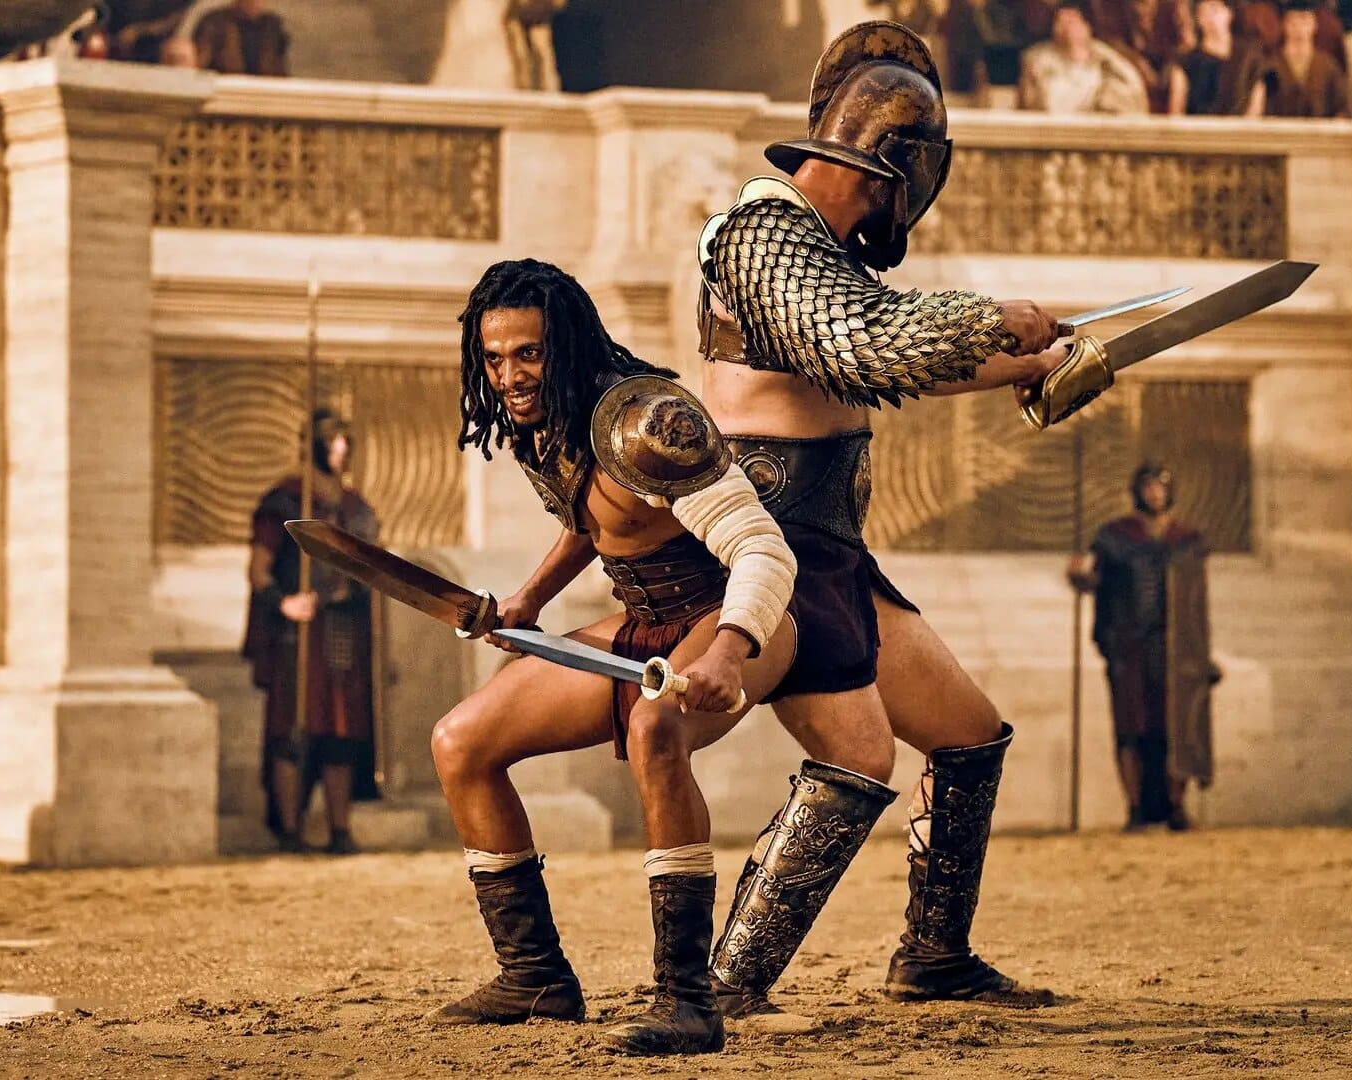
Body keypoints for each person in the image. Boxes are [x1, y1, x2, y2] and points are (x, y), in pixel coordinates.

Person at [689, 21, 1068, 1017]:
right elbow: (866, 344)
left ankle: (934, 957)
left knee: (968, 736)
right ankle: (725, 982)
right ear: (893, 172)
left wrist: (1035, 362)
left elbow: (889, 357)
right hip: (770, 543)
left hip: (833, 550)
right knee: (858, 755)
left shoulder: (819, 255)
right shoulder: (760, 232)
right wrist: (993, 319)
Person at [429, 259, 799, 1056]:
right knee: (460, 742)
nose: (509, 377)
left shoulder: (652, 421)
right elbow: (593, 520)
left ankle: (688, 1001)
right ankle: (534, 975)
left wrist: (727, 653)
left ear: (566, 344)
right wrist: (529, 599)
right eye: (493, 359)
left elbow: (763, 551)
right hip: (642, 624)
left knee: (654, 731)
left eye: (528, 354)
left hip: (733, 620)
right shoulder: (545, 425)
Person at [242, 410, 381, 856]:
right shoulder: (286, 501)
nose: (342, 448)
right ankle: (289, 829)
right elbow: (259, 570)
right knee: (293, 728)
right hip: (298, 634)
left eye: (346, 439)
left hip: (343, 627)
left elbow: (371, 566)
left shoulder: (355, 508)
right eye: (332, 439)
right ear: (314, 445)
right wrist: (284, 602)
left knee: (342, 730)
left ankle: (340, 830)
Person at [1068, 463, 1218, 831]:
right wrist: (1080, 578)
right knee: (1131, 728)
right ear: (1138, 491)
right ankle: (1135, 808)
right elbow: (1096, 581)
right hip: (1128, 649)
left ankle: (1177, 806)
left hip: (1175, 653)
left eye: (1160, 487)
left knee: (1176, 727)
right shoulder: (1116, 538)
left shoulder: (1186, 540)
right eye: (1148, 487)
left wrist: (1201, 655)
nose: (1155, 494)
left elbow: (1195, 603)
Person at [1019, 0, 1155, 112]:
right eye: (1061, 22)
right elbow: (1032, 103)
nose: (1067, 28)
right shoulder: (1038, 62)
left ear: (1086, 27)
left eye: (1072, 21)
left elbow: (1133, 95)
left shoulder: (1110, 63)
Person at [1246, 0, 1350, 115]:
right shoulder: (1270, 66)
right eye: (1293, 22)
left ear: (1314, 24)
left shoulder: (1329, 67)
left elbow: (1341, 109)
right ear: (1284, 25)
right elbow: (1258, 110)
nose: (1299, 29)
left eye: (1304, 20)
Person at [1170, 0, 1256, 113]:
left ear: (1229, 13)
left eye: (1214, 10)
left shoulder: (1248, 58)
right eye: (1203, 12)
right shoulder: (1187, 63)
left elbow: (1255, 105)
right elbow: (1176, 111)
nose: (1210, 17)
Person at [192, 0, 288, 75]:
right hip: (223, 86)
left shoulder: (272, 26)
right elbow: (200, 64)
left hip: (266, 88)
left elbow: (279, 67)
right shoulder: (213, 23)